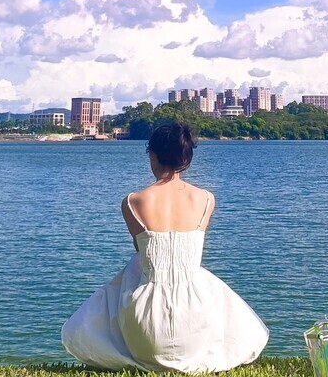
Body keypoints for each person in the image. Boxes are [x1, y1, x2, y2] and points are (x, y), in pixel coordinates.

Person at [61, 121, 269, 372]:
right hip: (197, 320)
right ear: (186, 158)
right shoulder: (205, 199)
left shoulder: (132, 202)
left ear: (152, 155)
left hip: (145, 328)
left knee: (136, 267)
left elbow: (142, 252)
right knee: (197, 274)